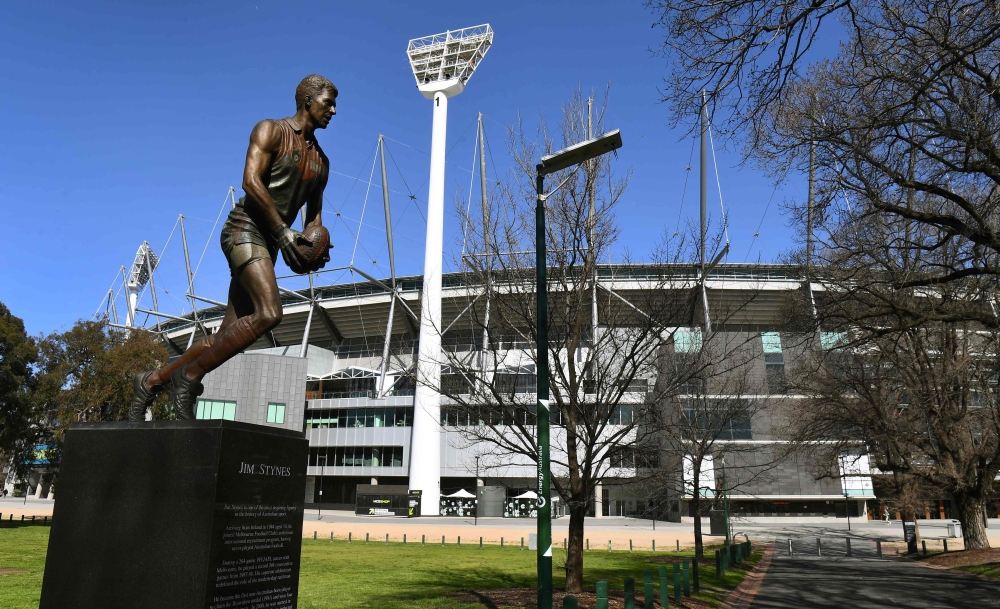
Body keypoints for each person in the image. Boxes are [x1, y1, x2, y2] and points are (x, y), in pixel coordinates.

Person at [129, 75, 336, 420]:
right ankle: (189, 377)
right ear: (308, 101)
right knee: (270, 312)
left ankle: (150, 381)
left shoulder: (321, 163)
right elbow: (251, 182)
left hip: (269, 241)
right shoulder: (271, 130)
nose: (334, 110)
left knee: (223, 337)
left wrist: (314, 245)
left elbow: (313, 218)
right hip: (245, 229)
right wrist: (284, 233)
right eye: (328, 102)